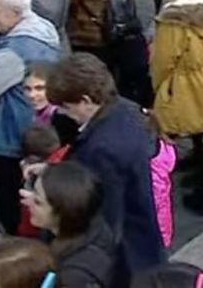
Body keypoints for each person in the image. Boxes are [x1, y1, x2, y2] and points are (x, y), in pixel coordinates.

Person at [46, 52, 166, 280]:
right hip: (144, 245)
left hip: (126, 261)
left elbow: (105, 217)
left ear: (85, 101)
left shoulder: (100, 150)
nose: (62, 113)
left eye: (65, 106)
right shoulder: (125, 109)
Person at [0, 0, 62, 232]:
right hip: (37, 129)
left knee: (10, 201)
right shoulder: (44, 30)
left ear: (15, 14)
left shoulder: (13, 51)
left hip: (8, 136)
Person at [150, 0, 203, 217]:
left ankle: (200, 194)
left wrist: (159, 88)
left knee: (170, 128)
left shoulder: (173, 19)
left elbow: (163, 60)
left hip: (180, 82)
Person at [21, 161, 116, 288]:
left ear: (62, 214)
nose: (27, 201)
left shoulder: (76, 276)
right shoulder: (83, 220)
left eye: (37, 201)